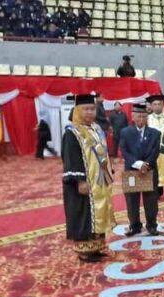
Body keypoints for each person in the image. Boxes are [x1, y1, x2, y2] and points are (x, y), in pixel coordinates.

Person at [61, 94, 115, 263]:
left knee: (99, 212)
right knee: (84, 213)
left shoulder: (97, 128)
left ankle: (96, 247)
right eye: (85, 109)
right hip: (83, 183)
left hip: (99, 181)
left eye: (92, 109)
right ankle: (84, 250)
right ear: (77, 111)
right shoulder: (73, 133)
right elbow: (71, 158)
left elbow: (102, 152)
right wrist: (80, 180)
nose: (90, 113)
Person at [120, 103, 160, 236]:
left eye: (144, 116)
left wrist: (146, 164)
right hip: (131, 170)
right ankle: (134, 225)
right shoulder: (125, 132)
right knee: (132, 199)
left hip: (149, 170)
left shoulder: (155, 133)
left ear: (147, 118)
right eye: (138, 116)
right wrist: (137, 164)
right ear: (133, 117)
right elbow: (124, 151)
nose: (141, 119)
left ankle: (152, 225)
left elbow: (155, 152)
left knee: (151, 200)